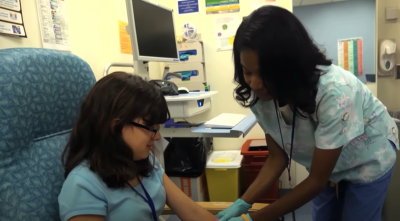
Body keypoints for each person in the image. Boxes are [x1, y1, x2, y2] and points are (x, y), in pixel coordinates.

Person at [217, 6, 399, 221]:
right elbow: (277, 158)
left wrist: (251, 219)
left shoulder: (335, 92)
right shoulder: (260, 95)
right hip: (324, 169)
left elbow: (316, 181)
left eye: (266, 74)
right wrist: (243, 202)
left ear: (290, 66)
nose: (255, 83)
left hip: (368, 158)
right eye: (247, 71)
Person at [58, 72, 216, 221]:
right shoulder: (83, 186)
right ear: (116, 127)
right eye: (151, 129)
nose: (158, 136)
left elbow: (191, 212)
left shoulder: (146, 162)